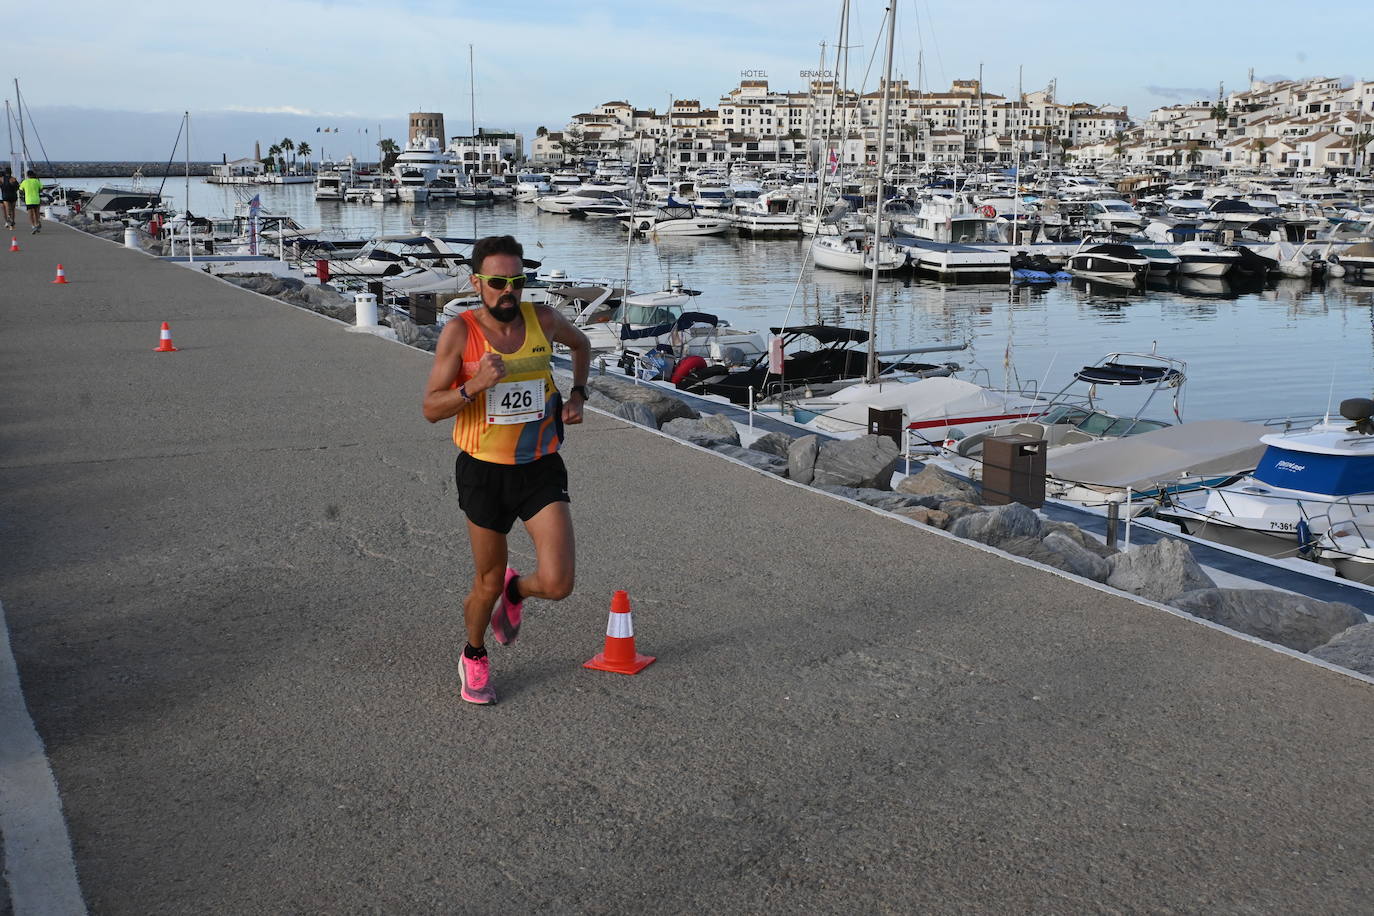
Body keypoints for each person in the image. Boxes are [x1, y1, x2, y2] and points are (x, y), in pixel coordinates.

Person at [422, 234, 592, 705]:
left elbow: (582, 345)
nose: (508, 292)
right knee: (486, 581)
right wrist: (475, 384)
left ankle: (519, 590)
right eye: (497, 282)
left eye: (516, 281)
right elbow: (431, 408)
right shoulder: (460, 332)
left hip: (539, 467)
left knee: (558, 583)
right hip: (484, 472)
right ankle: (473, 654)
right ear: (477, 283)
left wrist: (578, 394)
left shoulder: (543, 319)